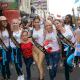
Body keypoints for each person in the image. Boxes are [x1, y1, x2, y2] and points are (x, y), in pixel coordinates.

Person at [0, 16, 11, 80]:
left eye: (5, 20)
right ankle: (4, 76)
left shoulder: (7, 29)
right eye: (3, 21)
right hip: (1, 50)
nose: (5, 22)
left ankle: (8, 76)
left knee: (7, 63)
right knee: (2, 64)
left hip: (8, 49)